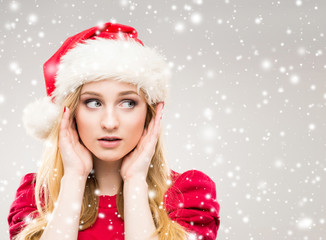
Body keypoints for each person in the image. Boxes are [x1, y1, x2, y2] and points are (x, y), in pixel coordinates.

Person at [7, 22, 220, 240]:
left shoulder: (187, 194)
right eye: (93, 102)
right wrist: (74, 176)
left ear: (150, 113)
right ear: (68, 114)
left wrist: (135, 180)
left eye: (127, 103)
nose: (109, 122)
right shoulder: (36, 197)